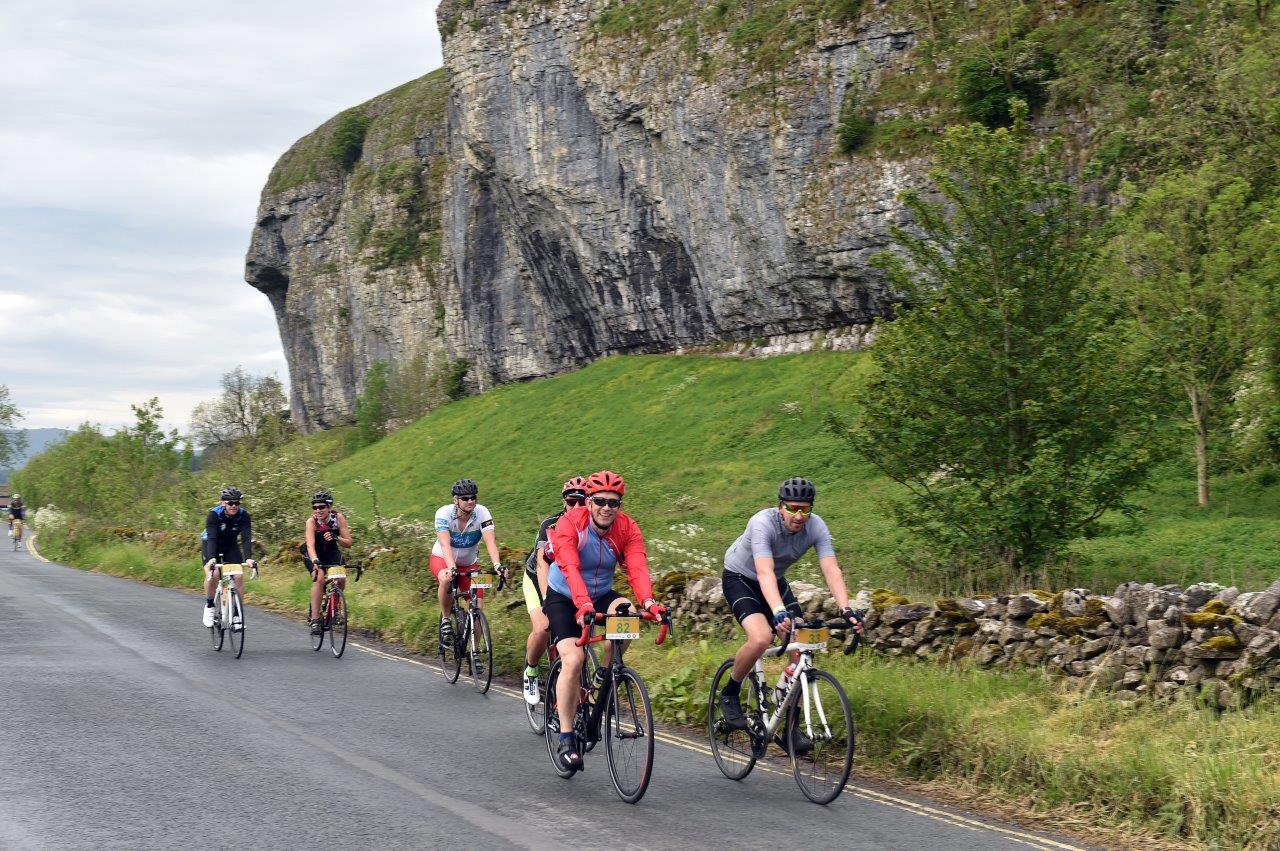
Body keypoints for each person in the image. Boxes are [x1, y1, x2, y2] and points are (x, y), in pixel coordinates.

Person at [717, 477, 864, 749]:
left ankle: (792, 727)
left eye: (805, 509)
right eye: (793, 508)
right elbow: (763, 570)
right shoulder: (762, 523)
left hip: (775, 581)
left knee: (803, 642)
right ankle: (731, 691)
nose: (799, 515)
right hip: (741, 578)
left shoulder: (816, 526)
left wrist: (846, 608)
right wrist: (778, 611)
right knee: (761, 638)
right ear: (780, 507)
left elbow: (831, 569)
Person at [543, 470, 666, 773]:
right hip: (564, 594)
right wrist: (582, 604)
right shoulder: (570, 524)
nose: (607, 508)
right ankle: (567, 736)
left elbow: (636, 565)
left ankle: (605, 676)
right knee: (573, 658)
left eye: (614, 502)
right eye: (600, 501)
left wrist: (649, 603)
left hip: (599, 593)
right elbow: (569, 565)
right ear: (588, 501)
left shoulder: (627, 528)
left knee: (627, 612)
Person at [520, 476, 588, 705]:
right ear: (564, 502)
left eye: (582, 501)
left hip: (570, 579)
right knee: (543, 626)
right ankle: (530, 671)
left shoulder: (595, 525)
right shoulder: (551, 524)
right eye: (571, 501)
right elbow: (543, 565)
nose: (577, 507)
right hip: (539, 577)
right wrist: (548, 599)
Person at [432, 479, 505, 649]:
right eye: (465, 498)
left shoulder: (482, 513)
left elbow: (490, 542)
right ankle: (445, 619)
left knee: (478, 608)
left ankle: (475, 651)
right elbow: (445, 545)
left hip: (469, 563)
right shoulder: (442, 513)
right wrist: (452, 568)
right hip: (442, 558)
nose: (470, 501)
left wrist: (497, 566)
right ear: (455, 500)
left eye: (473, 497)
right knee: (446, 578)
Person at [201, 487, 258, 627]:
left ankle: (236, 615)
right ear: (223, 503)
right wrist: (211, 559)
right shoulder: (214, 515)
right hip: (211, 544)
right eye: (230, 503)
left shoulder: (243, 516)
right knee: (213, 574)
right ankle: (209, 607)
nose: (234, 506)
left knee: (238, 575)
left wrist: (248, 558)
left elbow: (246, 538)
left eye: (237, 503)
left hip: (230, 546)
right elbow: (212, 538)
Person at [303, 490, 352, 635]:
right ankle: (315, 619)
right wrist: (315, 561)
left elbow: (348, 542)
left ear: (329, 507)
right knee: (319, 578)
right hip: (313, 554)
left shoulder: (338, 518)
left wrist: (336, 538)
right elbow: (310, 545)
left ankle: (335, 607)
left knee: (340, 578)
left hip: (331, 552)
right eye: (315, 507)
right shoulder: (311, 522)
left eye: (321, 507)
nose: (318, 510)